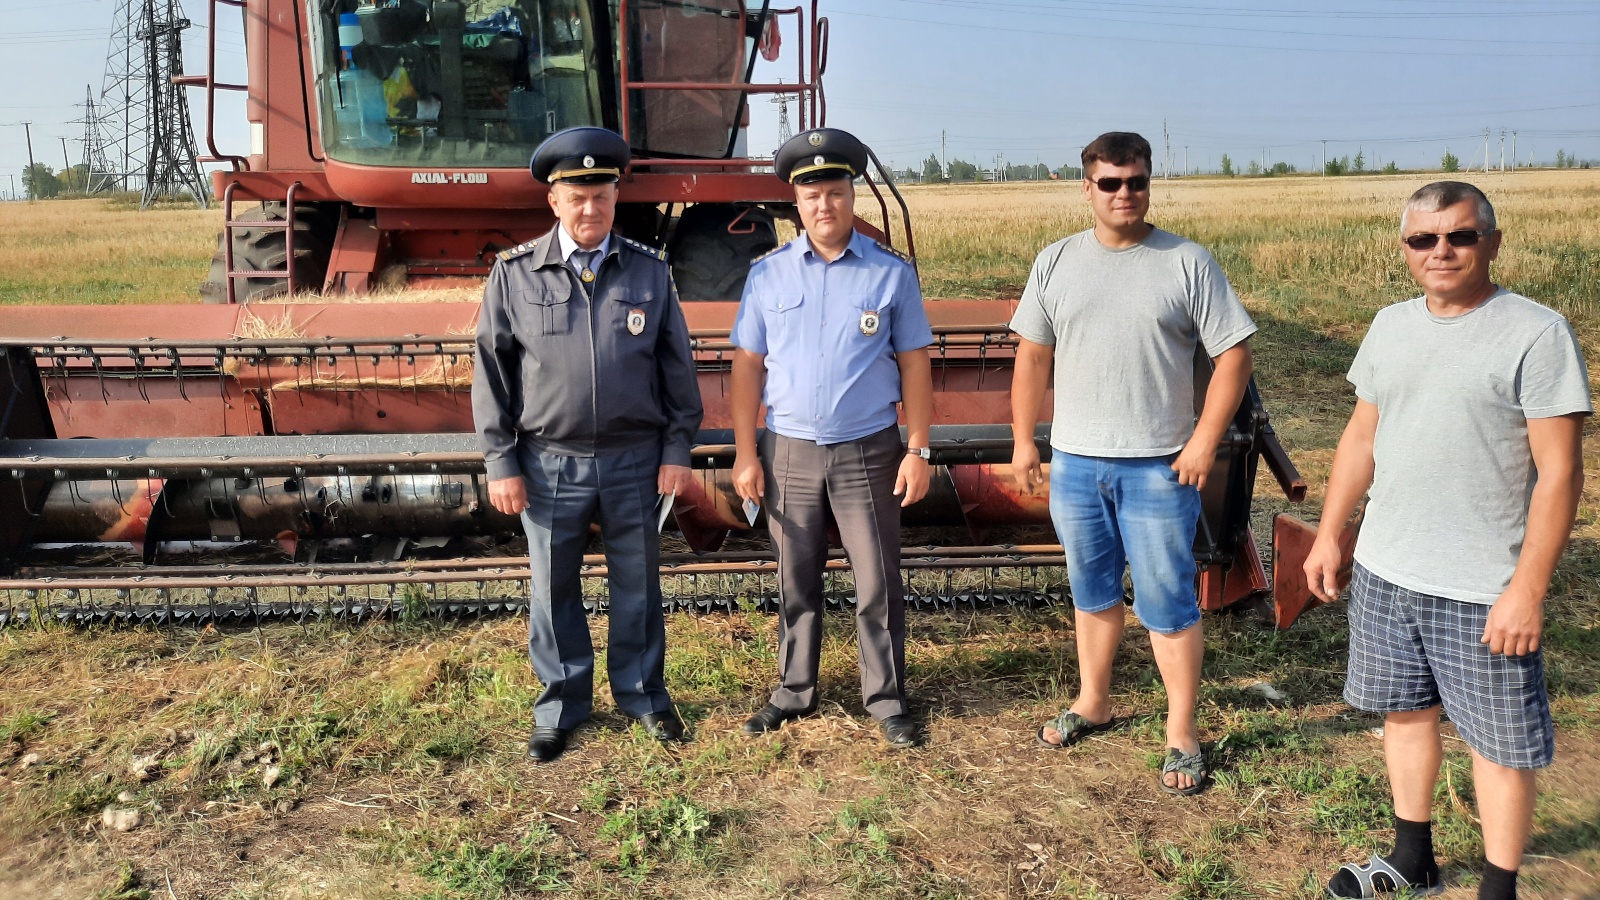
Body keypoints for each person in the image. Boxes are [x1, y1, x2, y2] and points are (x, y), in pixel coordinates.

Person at [1305, 182, 1588, 900]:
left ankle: (1498, 888)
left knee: (1498, 747)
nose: (1441, 251)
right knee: (1405, 715)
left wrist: (1527, 589)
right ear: (1405, 248)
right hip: (1388, 570)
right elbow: (1361, 437)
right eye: (1423, 239)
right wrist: (1331, 533)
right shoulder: (1390, 326)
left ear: (1492, 242)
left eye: (1460, 235)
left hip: (1483, 588)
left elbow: (1560, 474)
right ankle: (1413, 860)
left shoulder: (1536, 333)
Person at [1008, 131, 1256, 795]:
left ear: (1149, 184)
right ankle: (1094, 701)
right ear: (1086, 188)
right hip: (1076, 464)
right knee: (1091, 591)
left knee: (1167, 602)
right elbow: (1032, 356)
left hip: (1158, 469)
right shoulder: (1056, 262)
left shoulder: (1187, 263)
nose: (1125, 194)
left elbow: (1234, 357)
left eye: (1136, 182)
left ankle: (1181, 731)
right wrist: (1025, 440)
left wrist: (1204, 440)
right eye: (1111, 183)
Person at [472, 126, 703, 764]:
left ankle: (643, 695)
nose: (589, 208)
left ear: (615, 197)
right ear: (554, 201)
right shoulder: (515, 274)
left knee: (639, 585)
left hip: (635, 461)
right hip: (548, 462)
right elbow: (491, 373)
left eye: (601, 195)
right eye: (576, 197)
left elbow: (677, 371)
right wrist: (500, 461)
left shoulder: (650, 271)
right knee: (553, 592)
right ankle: (560, 706)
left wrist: (676, 451)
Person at [729, 127, 935, 749]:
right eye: (812, 194)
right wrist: (745, 453)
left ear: (852, 195)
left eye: (836, 191)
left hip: (868, 450)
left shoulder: (890, 274)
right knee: (796, 577)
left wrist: (918, 448)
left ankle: (886, 697)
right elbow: (747, 367)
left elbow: (915, 364)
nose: (825, 205)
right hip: (788, 451)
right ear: (797, 203)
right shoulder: (767, 275)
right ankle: (794, 689)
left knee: (877, 580)